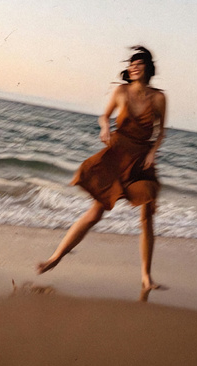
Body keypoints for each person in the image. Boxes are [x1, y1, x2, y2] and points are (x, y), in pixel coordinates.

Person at [37, 46, 166, 290]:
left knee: (147, 217)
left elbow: (161, 131)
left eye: (138, 64)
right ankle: (55, 257)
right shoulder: (121, 91)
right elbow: (104, 116)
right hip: (116, 156)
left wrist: (153, 152)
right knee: (96, 211)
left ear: (148, 68)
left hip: (141, 161)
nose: (133, 67)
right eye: (131, 64)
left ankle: (146, 277)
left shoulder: (159, 98)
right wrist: (105, 127)